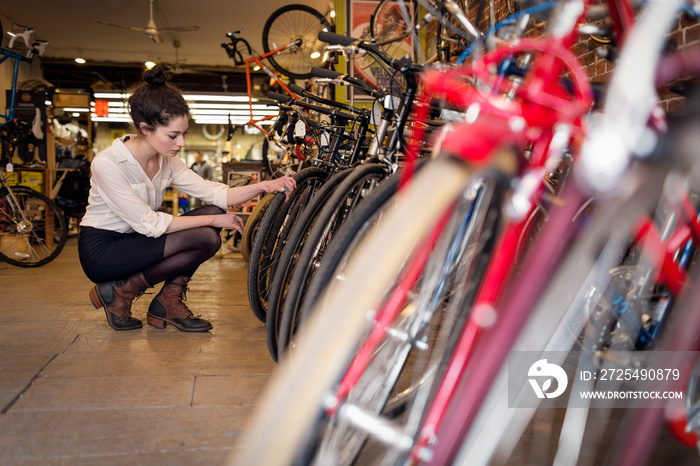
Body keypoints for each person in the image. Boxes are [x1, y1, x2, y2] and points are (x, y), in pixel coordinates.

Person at [78, 65, 296, 333]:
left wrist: (265, 185)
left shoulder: (168, 161)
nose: (181, 142)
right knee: (206, 234)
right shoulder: (108, 163)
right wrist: (216, 219)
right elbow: (149, 223)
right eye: (173, 135)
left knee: (212, 217)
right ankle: (123, 292)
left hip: (138, 241)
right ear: (145, 128)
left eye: (183, 133)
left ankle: (161, 301)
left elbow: (217, 194)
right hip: (104, 250)